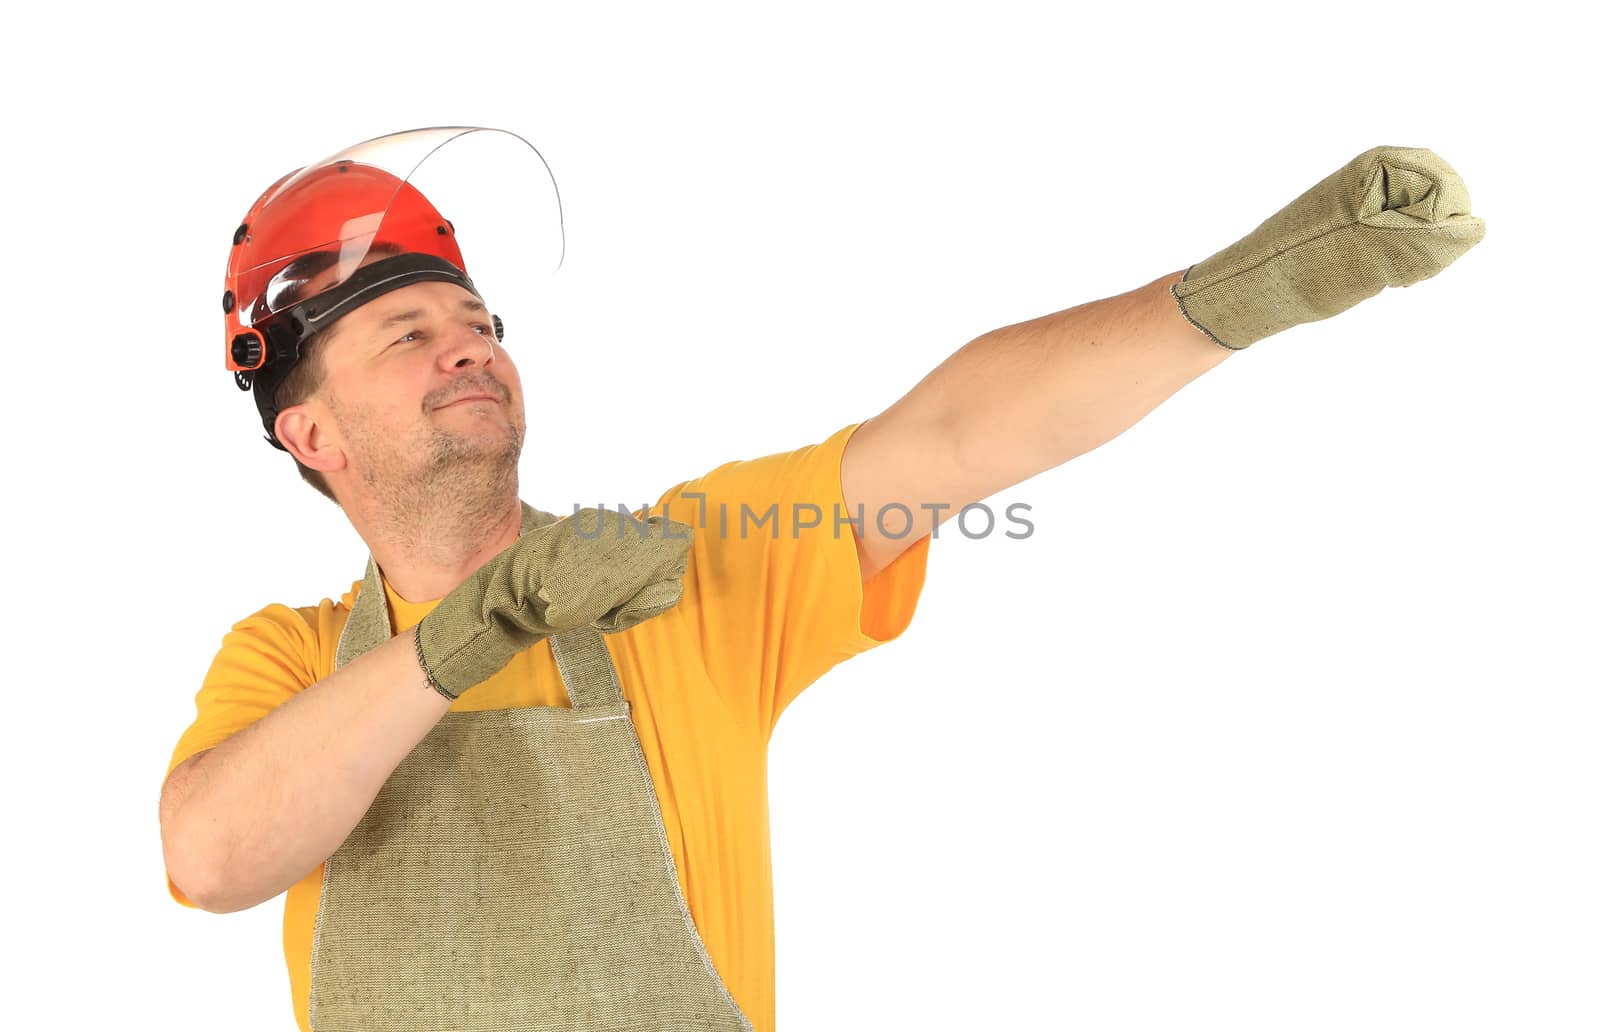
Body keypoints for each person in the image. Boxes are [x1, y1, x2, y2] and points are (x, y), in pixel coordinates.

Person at [159, 127, 1485, 1032]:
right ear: (311, 433)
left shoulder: (676, 575)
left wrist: (1254, 290)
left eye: (479, 324)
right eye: (407, 330)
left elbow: (956, 438)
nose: (471, 349)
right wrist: (469, 635)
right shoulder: (288, 662)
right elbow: (216, 858)